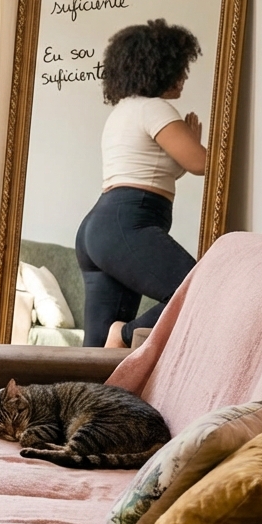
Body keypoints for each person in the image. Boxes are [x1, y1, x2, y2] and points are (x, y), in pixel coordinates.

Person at [75, 19, 207, 348]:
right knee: (200, 289)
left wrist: (189, 144)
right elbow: (203, 164)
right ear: (160, 68)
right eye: (180, 67)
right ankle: (125, 334)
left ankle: (111, 346)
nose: (184, 76)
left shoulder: (124, 111)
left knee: (94, 355)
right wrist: (196, 145)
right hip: (129, 220)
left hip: (100, 226)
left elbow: (153, 173)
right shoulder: (156, 108)